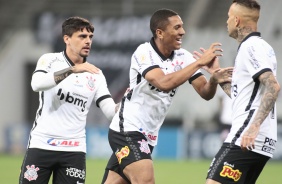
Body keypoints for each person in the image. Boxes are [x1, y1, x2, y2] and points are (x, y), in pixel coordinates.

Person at [101, 8, 233, 184]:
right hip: (128, 129)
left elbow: (205, 93)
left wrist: (214, 78)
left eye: (182, 27)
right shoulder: (144, 53)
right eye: (177, 27)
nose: (182, 32)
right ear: (160, 33)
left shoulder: (184, 57)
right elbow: (163, 83)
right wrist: (199, 62)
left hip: (148, 135)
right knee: (145, 181)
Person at [19, 16, 118, 184]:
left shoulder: (95, 74)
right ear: (67, 39)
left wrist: (128, 104)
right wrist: (72, 70)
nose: (88, 41)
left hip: (74, 150)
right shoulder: (49, 60)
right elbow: (36, 84)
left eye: (90, 37)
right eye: (82, 36)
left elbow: (110, 111)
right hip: (42, 144)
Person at [204, 0, 280, 183]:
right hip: (257, 140)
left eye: (229, 17)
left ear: (237, 21)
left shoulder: (251, 47)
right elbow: (243, 98)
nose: (227, 21)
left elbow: (273, 86)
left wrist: (253, 128)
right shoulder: (261, 47)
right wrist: (216, 75)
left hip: (245, 137)